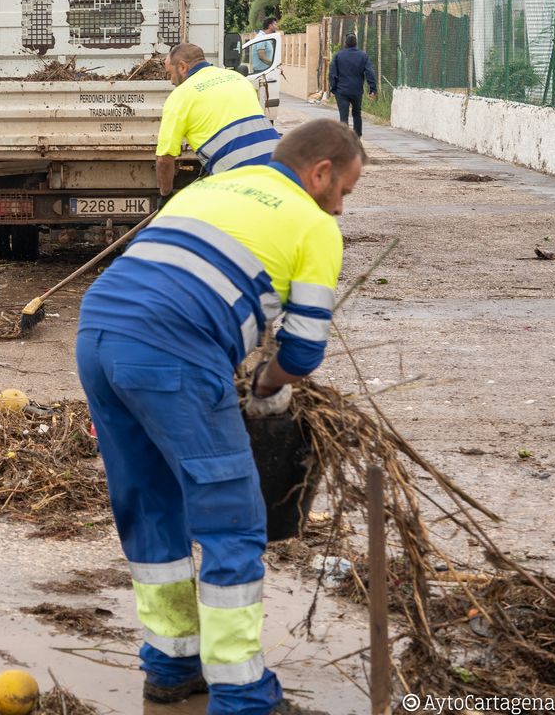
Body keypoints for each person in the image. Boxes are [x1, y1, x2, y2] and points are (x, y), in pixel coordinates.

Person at [76, 119, 364, 714]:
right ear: (321, 173)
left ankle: (171, 665)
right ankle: (241, 694)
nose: (341, 207)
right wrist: (265, 385)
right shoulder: (313, 224)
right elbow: (305, 351)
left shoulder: (207, 189)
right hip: (171, 352)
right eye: (346, 191)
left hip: (98, 332)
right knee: (231, 517)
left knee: (152, 501)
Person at [156, 43, 281, 195]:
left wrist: (165, 196)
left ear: (182, 67)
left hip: (241, 183)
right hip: (279, 168)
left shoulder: (180, 96)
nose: (171, 81)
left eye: (170, 74)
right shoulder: (238, 79)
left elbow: (165, 159)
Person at [329, 33, 377, 137]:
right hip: (356, 91)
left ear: (345, 43)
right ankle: (357, 137)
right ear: (356, 43)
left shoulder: (338, 56)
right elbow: (370, 72)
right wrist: (372, 89)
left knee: (344, 116)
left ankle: (345, 141)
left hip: (341, 91)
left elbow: (333, 74)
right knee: (357, 114)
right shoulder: (363, 56)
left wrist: (333, 89)